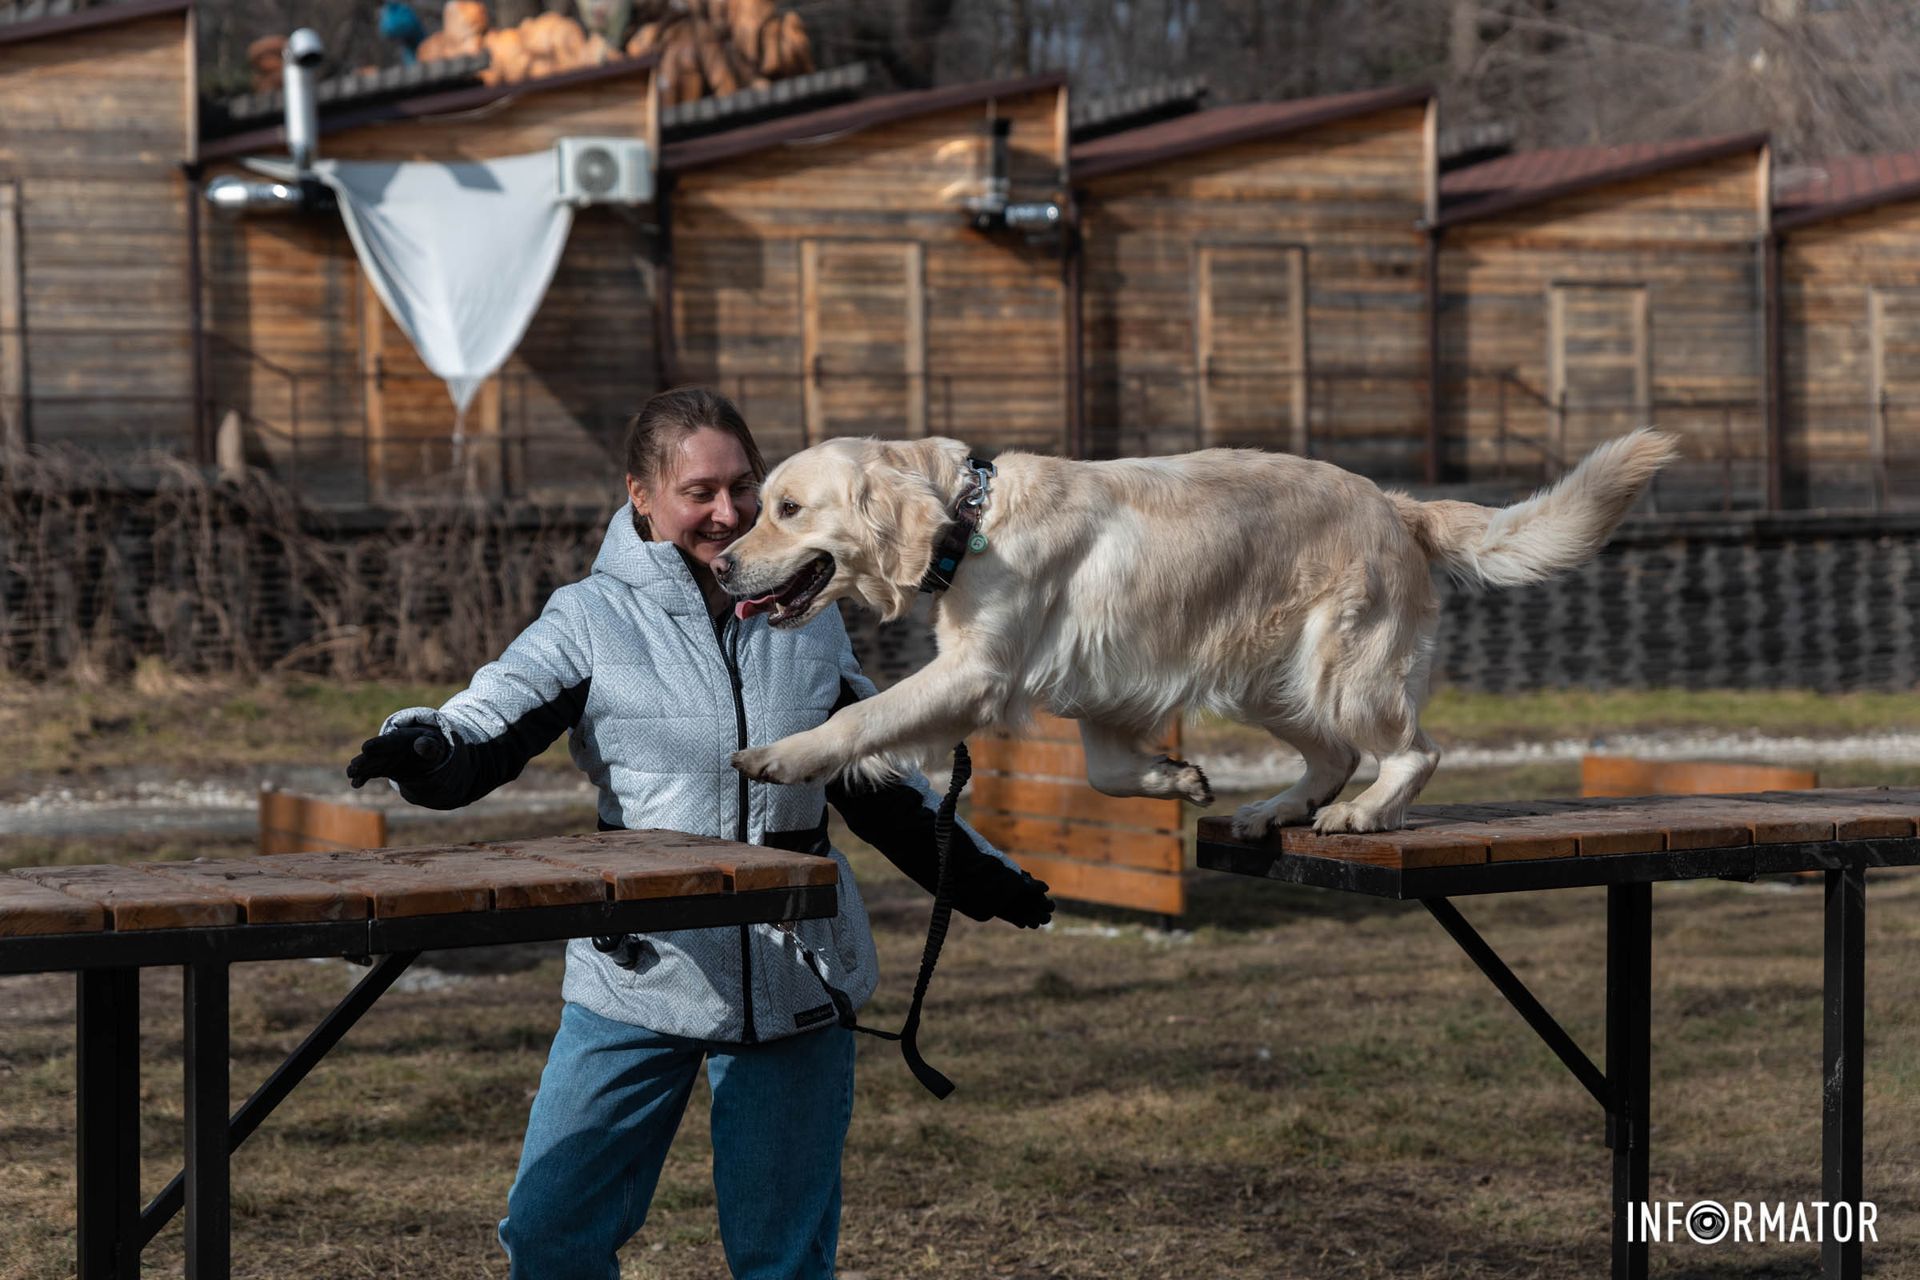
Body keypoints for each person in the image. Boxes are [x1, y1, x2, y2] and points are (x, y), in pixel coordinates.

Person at [345, 387, 1052, 1280]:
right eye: (699, 492)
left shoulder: (808, 607)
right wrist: (428, 745)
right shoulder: (590, 620)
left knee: (781, 1261)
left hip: (802, 971)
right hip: (643, 972)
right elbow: (492, 718)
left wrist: (982, 876)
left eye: (744, 486)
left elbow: (871, 775)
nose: (727, 513)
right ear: (641, 495)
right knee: (551, 1236)